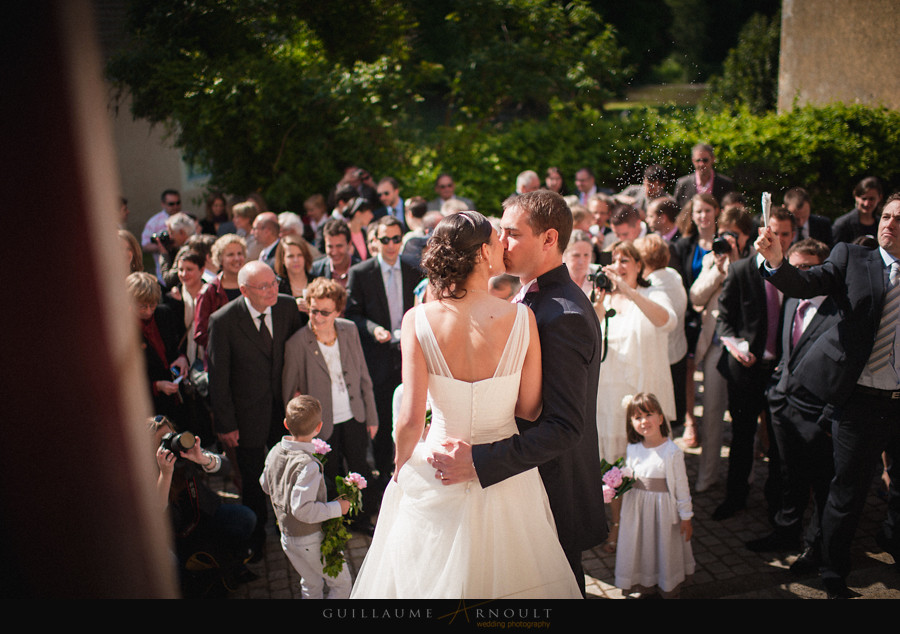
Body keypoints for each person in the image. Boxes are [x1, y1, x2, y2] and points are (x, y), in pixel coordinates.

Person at [350, 210, 581, 599]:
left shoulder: (417, 319)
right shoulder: (522, 319)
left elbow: (409, 417)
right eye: (496, 240)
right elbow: (528, 409)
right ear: (480, 255)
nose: (503, 245)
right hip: (506, 473)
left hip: (437, 466)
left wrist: (400, 467)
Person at [430, 191, 608, 595]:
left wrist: (478, 460)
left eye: (511, 233)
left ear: (548, 239)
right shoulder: (531, 297)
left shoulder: (563, 316)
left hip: (552, 490)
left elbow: (564, 427)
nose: (500, 241)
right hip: (524, 487)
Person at [754, 192, 900, 599]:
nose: (888, 223)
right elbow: (804, 283)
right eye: (885, 216)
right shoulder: (853, 258)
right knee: (847, 491)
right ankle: (834, 570)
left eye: (898, 219)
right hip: (861, 400)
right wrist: (777, 261)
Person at [744, 239, 837, 573]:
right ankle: (786, 533)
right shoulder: (790, 301)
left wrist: (828, 416)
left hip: (819, 416)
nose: (799, 274)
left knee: (823, 484)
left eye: (807, 268)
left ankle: (817, 549)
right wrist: (776, 393)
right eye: (794, 267)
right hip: (784, 406)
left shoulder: (838, 311)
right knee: (788, 477)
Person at [207, 261, 304, 557]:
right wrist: (226, 424)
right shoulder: (222, 321)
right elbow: (218, 377)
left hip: (284, 410)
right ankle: (256, 535)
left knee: (288, 470)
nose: (273, 289)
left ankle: (288, 525)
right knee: (251, 478)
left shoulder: (287, 307)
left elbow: (299, 351)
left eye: (274, 282)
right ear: (245, 290)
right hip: (246, 415)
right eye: (265, 287)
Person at [712, 206, 796, 521]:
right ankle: (736, 498)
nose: (779, 239)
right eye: (773, 232)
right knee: (742, 437)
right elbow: (725, 321)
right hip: (746, 369)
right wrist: (734, 346)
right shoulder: (741, 270)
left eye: (785, 233)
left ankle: (777, 503)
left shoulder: (797, 271)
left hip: (782, 372)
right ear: (763, 233)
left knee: (779, 443)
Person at [593, 240, 677, 551]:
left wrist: (628, 292)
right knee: (614, 462)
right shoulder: (605, 297)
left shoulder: (653, 292)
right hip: (610, 395)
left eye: (625, 258)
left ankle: (653, 523)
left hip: (643, 396)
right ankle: (617, 524)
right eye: (614, 258)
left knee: (647, 462)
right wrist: (599, 305)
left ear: (639, 265)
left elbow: (668, 321)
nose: (619, 264)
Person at [281, 278, 379, 534]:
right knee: (330, 474)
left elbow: (363, 375)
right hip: (321, 425)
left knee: (359, 468)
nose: (319, 317)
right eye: (314, 310)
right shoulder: (296, 343)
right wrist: (300, 433)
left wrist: (372, 415)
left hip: (354, 415)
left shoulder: (349, 330)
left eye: (326, 312)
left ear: (337, 311)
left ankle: (360, 519)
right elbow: (289, 394)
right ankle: (335, 525)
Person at [345, 216, 423, 482]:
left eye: (396, 239)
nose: (391, 245)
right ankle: (384, 479)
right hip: (377, 358)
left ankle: (410, 470)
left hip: (408, 355)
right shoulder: (361, 272)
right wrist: (373, 329)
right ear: (374, 241)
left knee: (411, 413)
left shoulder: (414, 269)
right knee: (380, 417)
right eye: (385, 239)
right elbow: (352, 314)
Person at [151, 415, 257, 595]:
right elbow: (156, 511)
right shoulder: (148, 470)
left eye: (172, 436)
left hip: (204, 517)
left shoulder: (185, 456)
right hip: (173, 537)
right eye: (163, 442)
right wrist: (165, 474)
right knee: (170, 567)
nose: (171, 443)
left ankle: (232, 563)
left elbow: (225, 467)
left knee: (246, 518)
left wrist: (202, 459)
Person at [259, 395, 352, 599]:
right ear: (318, 428)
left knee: (310, 583)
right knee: (342, 584)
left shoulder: (275, 451)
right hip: (309, 539)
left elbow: (265, 485)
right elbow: (303, 510)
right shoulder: (308, 465)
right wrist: (338, 508)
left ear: (285, 424)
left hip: (287, 536)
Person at [614, 393, 694, 598]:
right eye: (637, 417)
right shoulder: (633, 449)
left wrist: (686, 516)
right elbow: (629, 477)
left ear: (660, 418)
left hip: (663, 512)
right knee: (643, 547)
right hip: (637, 512)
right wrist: (615, 483)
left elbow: (682, 487)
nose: (644, 421)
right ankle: (645, 582)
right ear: (631, 423)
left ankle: (667, 583)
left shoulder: (671, 451)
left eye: (649, 414)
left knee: (663, 548)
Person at [127, 272, 189, 425]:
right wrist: (156, 386)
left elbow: (175, 347)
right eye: (142, 307)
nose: (149, 311)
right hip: (148, 405)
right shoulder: (123, 328)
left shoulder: (164, 314)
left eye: (152, 305)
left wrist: (181, 358)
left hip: (176, 397)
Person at [193, 234, 246, 350]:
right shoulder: (208, 292)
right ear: (220, 259)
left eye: (239, 253)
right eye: (230, 255)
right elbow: (200, 334)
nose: (237, 258)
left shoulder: (251, 286)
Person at [673, 143, 735, 208]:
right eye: (698, 160)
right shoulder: (683, 184)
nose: (701, 164)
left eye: (705, 160)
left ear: (713, 159)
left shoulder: (726, 184)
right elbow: (676, 210)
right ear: (693, 161)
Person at [273, 234, 313, 327]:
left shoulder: (317, 283)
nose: (296, 260)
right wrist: (291, 306)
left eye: (299, 255)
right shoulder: (276, 287)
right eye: (290, 256)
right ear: (282, 259)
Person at [141, 188, 182, 281]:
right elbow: (145, 246)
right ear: (163, 204)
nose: (175, 206)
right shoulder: (153, 223)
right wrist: (162, 246)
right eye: (171, 204)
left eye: (178, 203)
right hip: (163, 272)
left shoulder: (186, 219)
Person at [309, 218, 361, 290]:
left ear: (349, 245)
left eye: (339, 246)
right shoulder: (316, 270)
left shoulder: (361, 270)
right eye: (330, 246)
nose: (334, 252)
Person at [831, 176, 884, 245]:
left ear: (879, 198)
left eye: (871, 199)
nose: (867, 203)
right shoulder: (842, 225)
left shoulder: (882, 224)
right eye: (864, 199)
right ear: (855, 196)